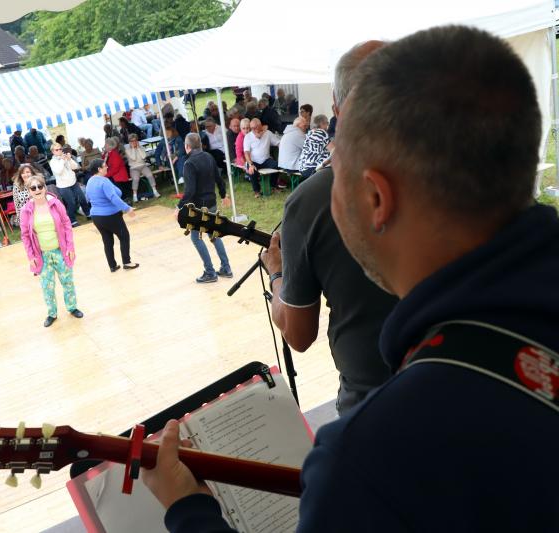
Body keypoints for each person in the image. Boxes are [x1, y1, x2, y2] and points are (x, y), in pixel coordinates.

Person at [144, 26, 559, 532]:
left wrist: (189, 510)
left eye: (337, 168)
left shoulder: (369, 460)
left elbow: (299, 335)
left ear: (377, 198)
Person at [259, 41, 397, 417]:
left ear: (336, 107)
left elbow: (299, 335)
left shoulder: (314, 200)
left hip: (373, 408)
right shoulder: (455, 172)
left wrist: (277, 273)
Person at [19, 173, 83, 328]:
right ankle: (52, 313)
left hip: (60, 251)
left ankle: (72, 307)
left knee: (67, 282)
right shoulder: (26, 210)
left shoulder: (55, 203)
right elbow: (25, 235)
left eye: (40, 186)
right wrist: (31, 256)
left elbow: (67, 225)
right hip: (42, 255)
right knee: (47, 286)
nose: (37, 190)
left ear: (44, 187)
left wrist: (70, 247)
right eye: (33, 188)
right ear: (29, 191)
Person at [175, 133, 232, 283]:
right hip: (211, 203)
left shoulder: (189, 164)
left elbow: (190, 191)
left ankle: (210, 272)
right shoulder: (209, 157)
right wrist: (223, 194)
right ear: (200, 144)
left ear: (187, 146)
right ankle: (226, 268)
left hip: (198, 208)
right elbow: (219, 179)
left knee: (196, 238)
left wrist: (178, 207)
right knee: (214, 235)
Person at [85, 159, 138, 273]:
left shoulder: (90, 182)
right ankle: (127, 262)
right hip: (110, 215)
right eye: (105, 166)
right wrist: (127, 208)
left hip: (96, 216)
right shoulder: (104, 181)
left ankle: (112, 266)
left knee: (107, 240)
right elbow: (114, 197)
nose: (107, 167)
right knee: (124, 236)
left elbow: (88, 198)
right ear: (99, 169)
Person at [49, 142, 89, 228]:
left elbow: (75, 167)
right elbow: (58, 171)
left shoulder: (65, 157)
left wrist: (70, 159)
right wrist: (63, 160)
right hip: (63, 186)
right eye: (57, 149)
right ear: (53, 151)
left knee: (82, 198)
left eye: (60, 149)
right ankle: (72, 220)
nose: (59, 151)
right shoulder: (53, 161)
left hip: (73, 182)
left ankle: (88, 214)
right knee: (71, 203)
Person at [243, 118, 281, 197]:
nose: (254, 129)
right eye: (252, 128)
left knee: (277, 165)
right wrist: (250, 164)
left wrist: (282, 153)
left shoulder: (268, 133)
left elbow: (278, 143)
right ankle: (257, 191)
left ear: (261, 126)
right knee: (252, 170)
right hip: (253, 161)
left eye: (256, 127)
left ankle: (273, 186)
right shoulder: (248, 136)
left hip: (266, 160)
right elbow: (246, 153)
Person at [124, 134, 160, 203]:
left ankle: (155, 191)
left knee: (150, 175)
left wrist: (138, 148)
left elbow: (143, 157)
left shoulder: (141, 147)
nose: (134, 142)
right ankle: (135, 196)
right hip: (133, 168)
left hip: (143, 165)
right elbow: (133, 158)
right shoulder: (127, 150)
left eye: (135, 140)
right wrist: (134, 149)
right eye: (132, 141)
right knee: (136, 179)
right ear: (129, 142)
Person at [298, 114, 332, 179]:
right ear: (322, 123)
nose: (328, 125)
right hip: (313, 169)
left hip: (303, 168)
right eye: (327, 123)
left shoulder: (310, 132)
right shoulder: (321, 132)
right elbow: (333, 150)